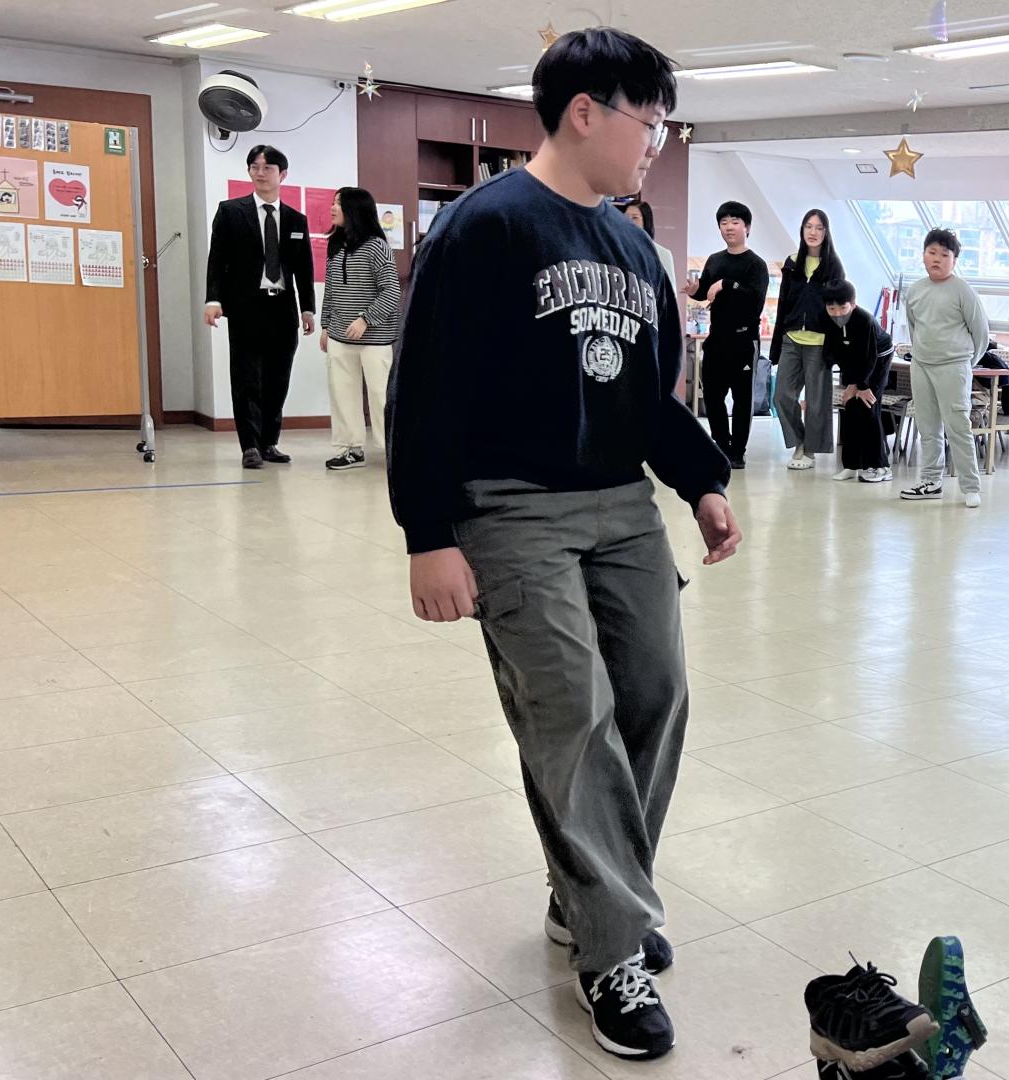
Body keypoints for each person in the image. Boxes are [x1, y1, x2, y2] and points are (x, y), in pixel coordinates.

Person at [385, 27, 740, 1063]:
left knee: (655, 694)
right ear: (585, 111)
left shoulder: (634, 250)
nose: (658, 143)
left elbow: (651, 401)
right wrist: (429, 535)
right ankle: (611, 946)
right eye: (650, 121)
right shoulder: (484, 228)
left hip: (621, 504)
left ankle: (589, 892)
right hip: (509, 509)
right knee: (570, 714)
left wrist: (703, 481)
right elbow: (425, 390)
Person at [204, 144, 315, 470]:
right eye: (255, 167)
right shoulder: (231, 212)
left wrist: (308, 308)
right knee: (246, 378)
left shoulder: (296, 219)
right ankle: (250, 445)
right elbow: (217, 259)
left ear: (283, 174)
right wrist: (213, 299)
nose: (260, 173)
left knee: (278, 379)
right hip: (246, 308)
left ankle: (269, 442)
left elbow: (304, 268)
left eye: (267, 168)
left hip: (283, 309)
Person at [899, 228, 989, 508]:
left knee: (958, 427)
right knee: (927, 427)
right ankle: (930, 482)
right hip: (921, 365)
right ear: (923, 255)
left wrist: (964, 364)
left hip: (954, 366)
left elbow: (981, 335)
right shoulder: (915, 290)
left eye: (944, 254)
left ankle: (970, 486)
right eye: (932, 252)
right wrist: (921, 354)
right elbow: (914, 328)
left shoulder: (963, 291)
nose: (937, 259)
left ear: (954, 260)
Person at [318, 186, 401, 471]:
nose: (333, 208)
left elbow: (391, 291)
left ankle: (394, 451)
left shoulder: (377, 247)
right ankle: (350, 449)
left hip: (374, 338)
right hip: (339, 336)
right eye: (333, 202)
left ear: (355, 210)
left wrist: (366, 319)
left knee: (380, 396)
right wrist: (326, 325)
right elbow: (331, 290)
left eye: (339, 204)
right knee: (342, 394)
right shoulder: (335, 245)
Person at [690, 200, 769, 469]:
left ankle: (738, 451)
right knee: (712, 396)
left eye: (735, 222)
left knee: (742, 399)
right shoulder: (715, 260)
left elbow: (755, 302)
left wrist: (727, 284)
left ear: (747, 227)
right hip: (717, 339)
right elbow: (705, 292)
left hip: (744, 340)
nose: (729, 227)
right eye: (724, 223)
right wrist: (695, 290)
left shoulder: (756, 264)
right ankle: (722, 445)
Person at [770, 209, 844, 470]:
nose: (813, 232)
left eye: (819, 228)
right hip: (791, 338)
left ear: (826, 233)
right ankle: (800, 441)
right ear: (802, 230)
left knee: (816, 402)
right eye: (808, 226)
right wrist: (777, 343)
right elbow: (782, 304)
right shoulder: (792, 263)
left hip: (819, 343)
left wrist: (836, 348)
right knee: (781, 396)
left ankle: (810, 451)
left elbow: (839, 309)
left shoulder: (833, 266)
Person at [822, 279, 894, 483]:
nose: (837, 313)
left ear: (852, 304)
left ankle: (881, 467)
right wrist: (850, 384)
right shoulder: (827, 319)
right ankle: (851, 465)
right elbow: (837, 353)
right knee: (850, 407)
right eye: (832, 308)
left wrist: (862, 386)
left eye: (842, 308)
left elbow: (869, 357)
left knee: (868, 407)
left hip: (878, 359)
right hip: (854, 361)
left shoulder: (865, 321)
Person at [619, 197, 676, 292]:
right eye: (626, 217)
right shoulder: (615, 250)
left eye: (635, 218)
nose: (629, 221)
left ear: (646, 222)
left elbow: (671, 291)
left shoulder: (662, 254)